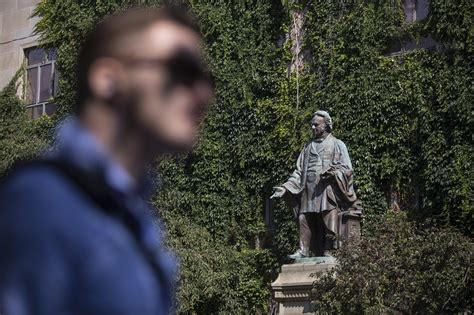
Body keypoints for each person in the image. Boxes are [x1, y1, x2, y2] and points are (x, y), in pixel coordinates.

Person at [0, 6, 213, 315]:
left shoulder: (131, 213)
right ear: (107, 79)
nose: (203, 93)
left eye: (205, 78)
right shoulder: (42, 201)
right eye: (182, 70)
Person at [271, 110, 359, 259]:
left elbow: (347, 168)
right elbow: (298, 172)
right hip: (309, 190)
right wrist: (285, 187)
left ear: (326, 126)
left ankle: (329, 250)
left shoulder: (337, 144)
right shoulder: (307, 147)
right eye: (311, 125)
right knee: (303, 218)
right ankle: (303, 250)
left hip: (327, 189)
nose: (312, 128)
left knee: (328, 217)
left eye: (316, 125)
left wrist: (334, 173)